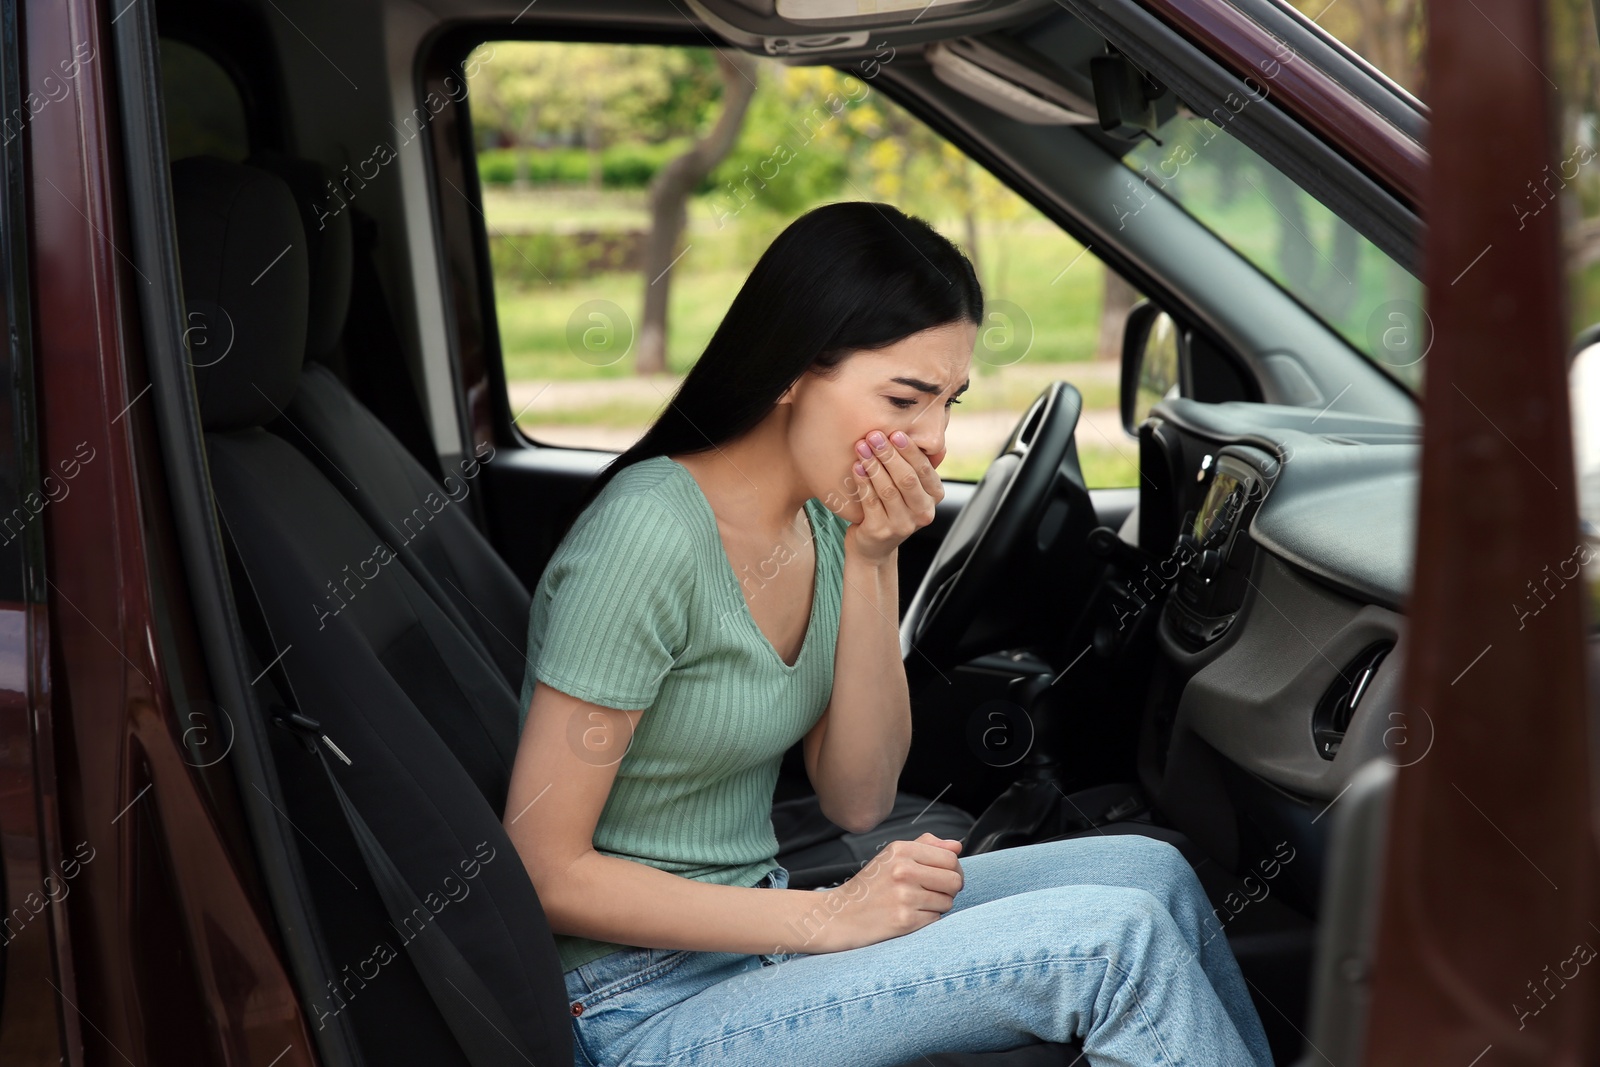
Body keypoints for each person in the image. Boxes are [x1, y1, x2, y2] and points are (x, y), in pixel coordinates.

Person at [501, 201, 1275, 1067]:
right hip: (627, 1005)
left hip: (753, 939)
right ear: (791, 369)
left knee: (1150, 875)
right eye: (906, 398)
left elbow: (858, 799)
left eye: (949, 400)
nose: (937, 441)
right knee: (1114, 943)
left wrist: (874, 560)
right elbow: (542, 870)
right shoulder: (647, 536)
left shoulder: (826, 523)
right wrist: (826, 917)